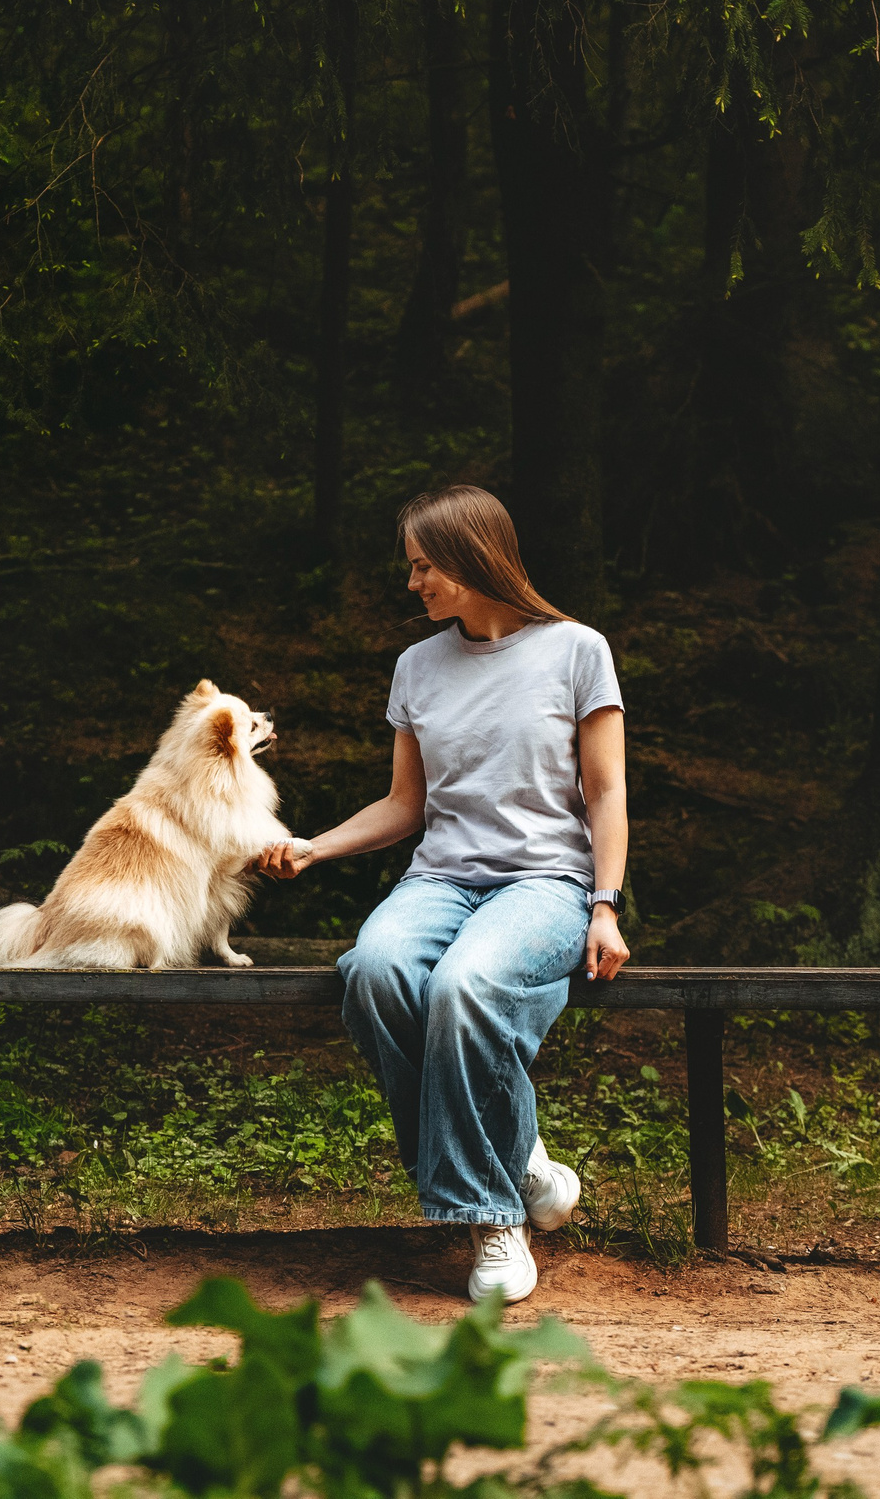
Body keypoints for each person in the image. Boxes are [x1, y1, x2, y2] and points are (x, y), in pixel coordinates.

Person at [258, 483, 628, 1304]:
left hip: (546, 882)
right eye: (412, 568)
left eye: (425, 566)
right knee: (376, 970)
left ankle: (490, 1218)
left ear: (471, 558)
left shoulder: (577, 650)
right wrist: (312, 848)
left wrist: (605, 904)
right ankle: (520, 1157)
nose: (413, 583)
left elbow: (605, 793)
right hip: (442, 878)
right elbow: (405, 805)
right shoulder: (417, 667)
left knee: (465, 985)